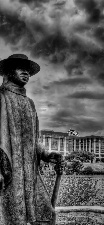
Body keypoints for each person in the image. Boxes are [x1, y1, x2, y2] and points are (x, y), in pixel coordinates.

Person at [0, 54, 63, 225]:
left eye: (28, 70)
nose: (26, 73)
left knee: (45, 215)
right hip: (8, 171)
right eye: (22, 69)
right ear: (9, 71)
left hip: (30, 173)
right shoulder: (1, 97)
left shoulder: (30, 104)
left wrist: (47, 154)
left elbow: (33, 140)